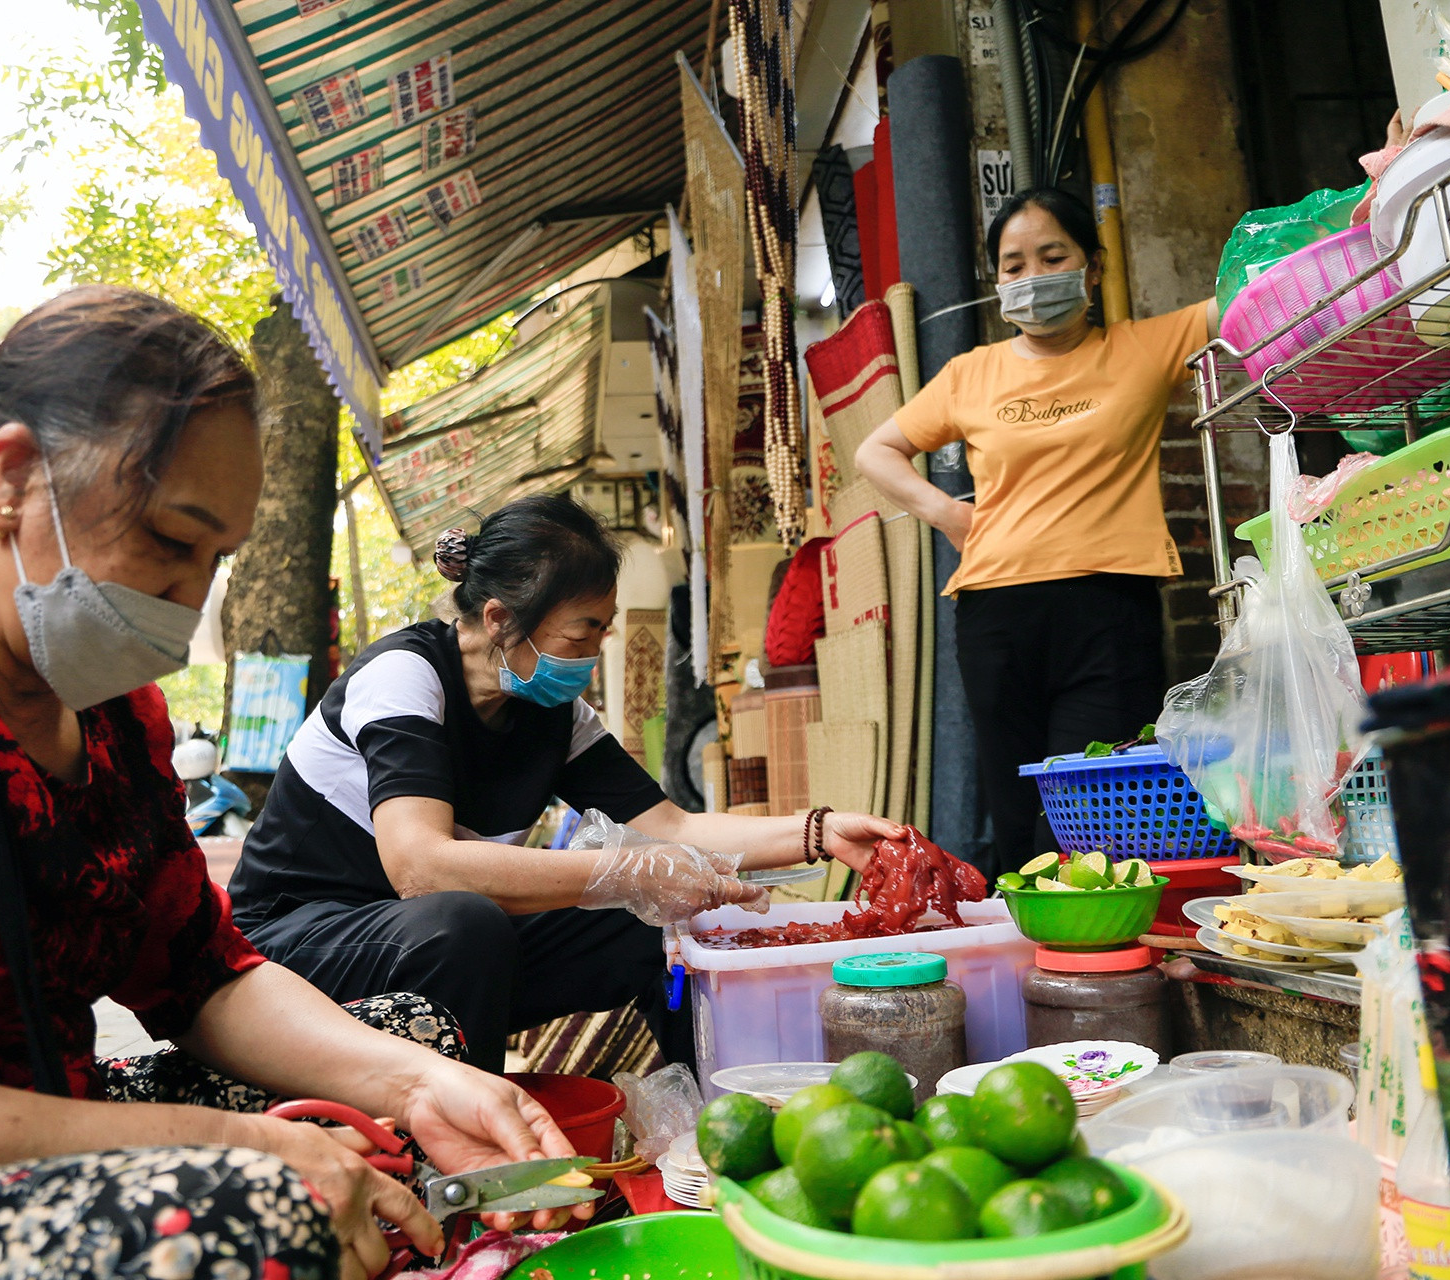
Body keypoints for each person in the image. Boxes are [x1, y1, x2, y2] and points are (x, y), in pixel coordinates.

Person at [0, 287, 582, 1280]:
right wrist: (236, 1146)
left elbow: (207, 979)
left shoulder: (116, 717)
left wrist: (421, 1083)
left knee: (416, 1032)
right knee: (256, 1207)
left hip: (37, 1127)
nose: (188, 596)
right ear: (15, 478)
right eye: (167, 539)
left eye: (214, 559)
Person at [228, 494, 906, 1073]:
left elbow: (671, 827)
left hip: (439, 941)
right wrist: (623, 871)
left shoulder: (551, 712)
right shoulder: (402, 679)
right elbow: (421, 869)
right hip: (299, 945)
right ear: (500, 619)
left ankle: (719, 1123)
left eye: (602, 632)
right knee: (468, 920)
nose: (595, 652)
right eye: (582, 634)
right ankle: (475, 1148)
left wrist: (818, 832)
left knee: (643, 925)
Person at [855, 188, 1220, 876]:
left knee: (1100, 816)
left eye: (1052, 257)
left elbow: (1255, 294)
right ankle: (1034, 967)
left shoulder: (1144, 347)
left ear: (1093, 267)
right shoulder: (971, 374)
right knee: (1021, 819)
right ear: (997, 281)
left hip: (1108, 613)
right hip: (997, 618)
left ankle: (1102, 962)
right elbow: (874, 451)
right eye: (1013, 265)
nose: (1032, 277)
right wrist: (950, 514)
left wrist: (1374, 194)